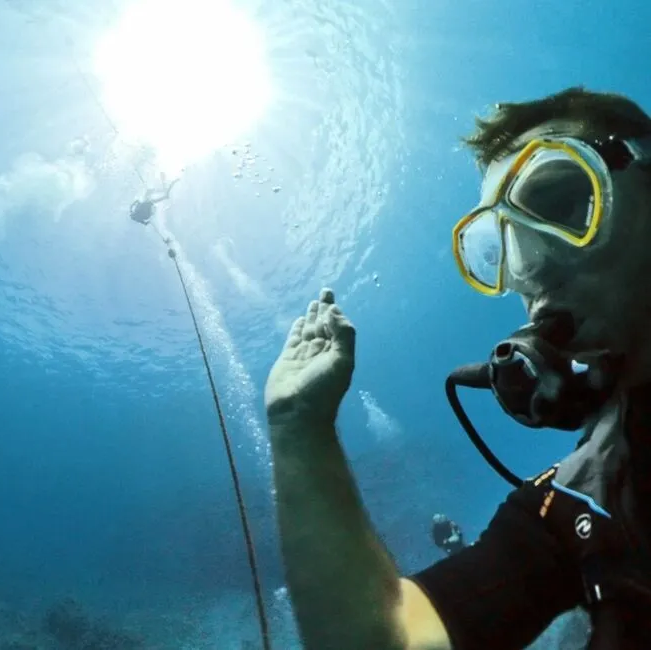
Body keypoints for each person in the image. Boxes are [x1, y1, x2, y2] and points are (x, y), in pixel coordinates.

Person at [264, 87, 651, 649]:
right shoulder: (581, 495)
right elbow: (383, 641)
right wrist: (299, 425)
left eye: (563, 202)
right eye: (501, 248)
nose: (530, 269)